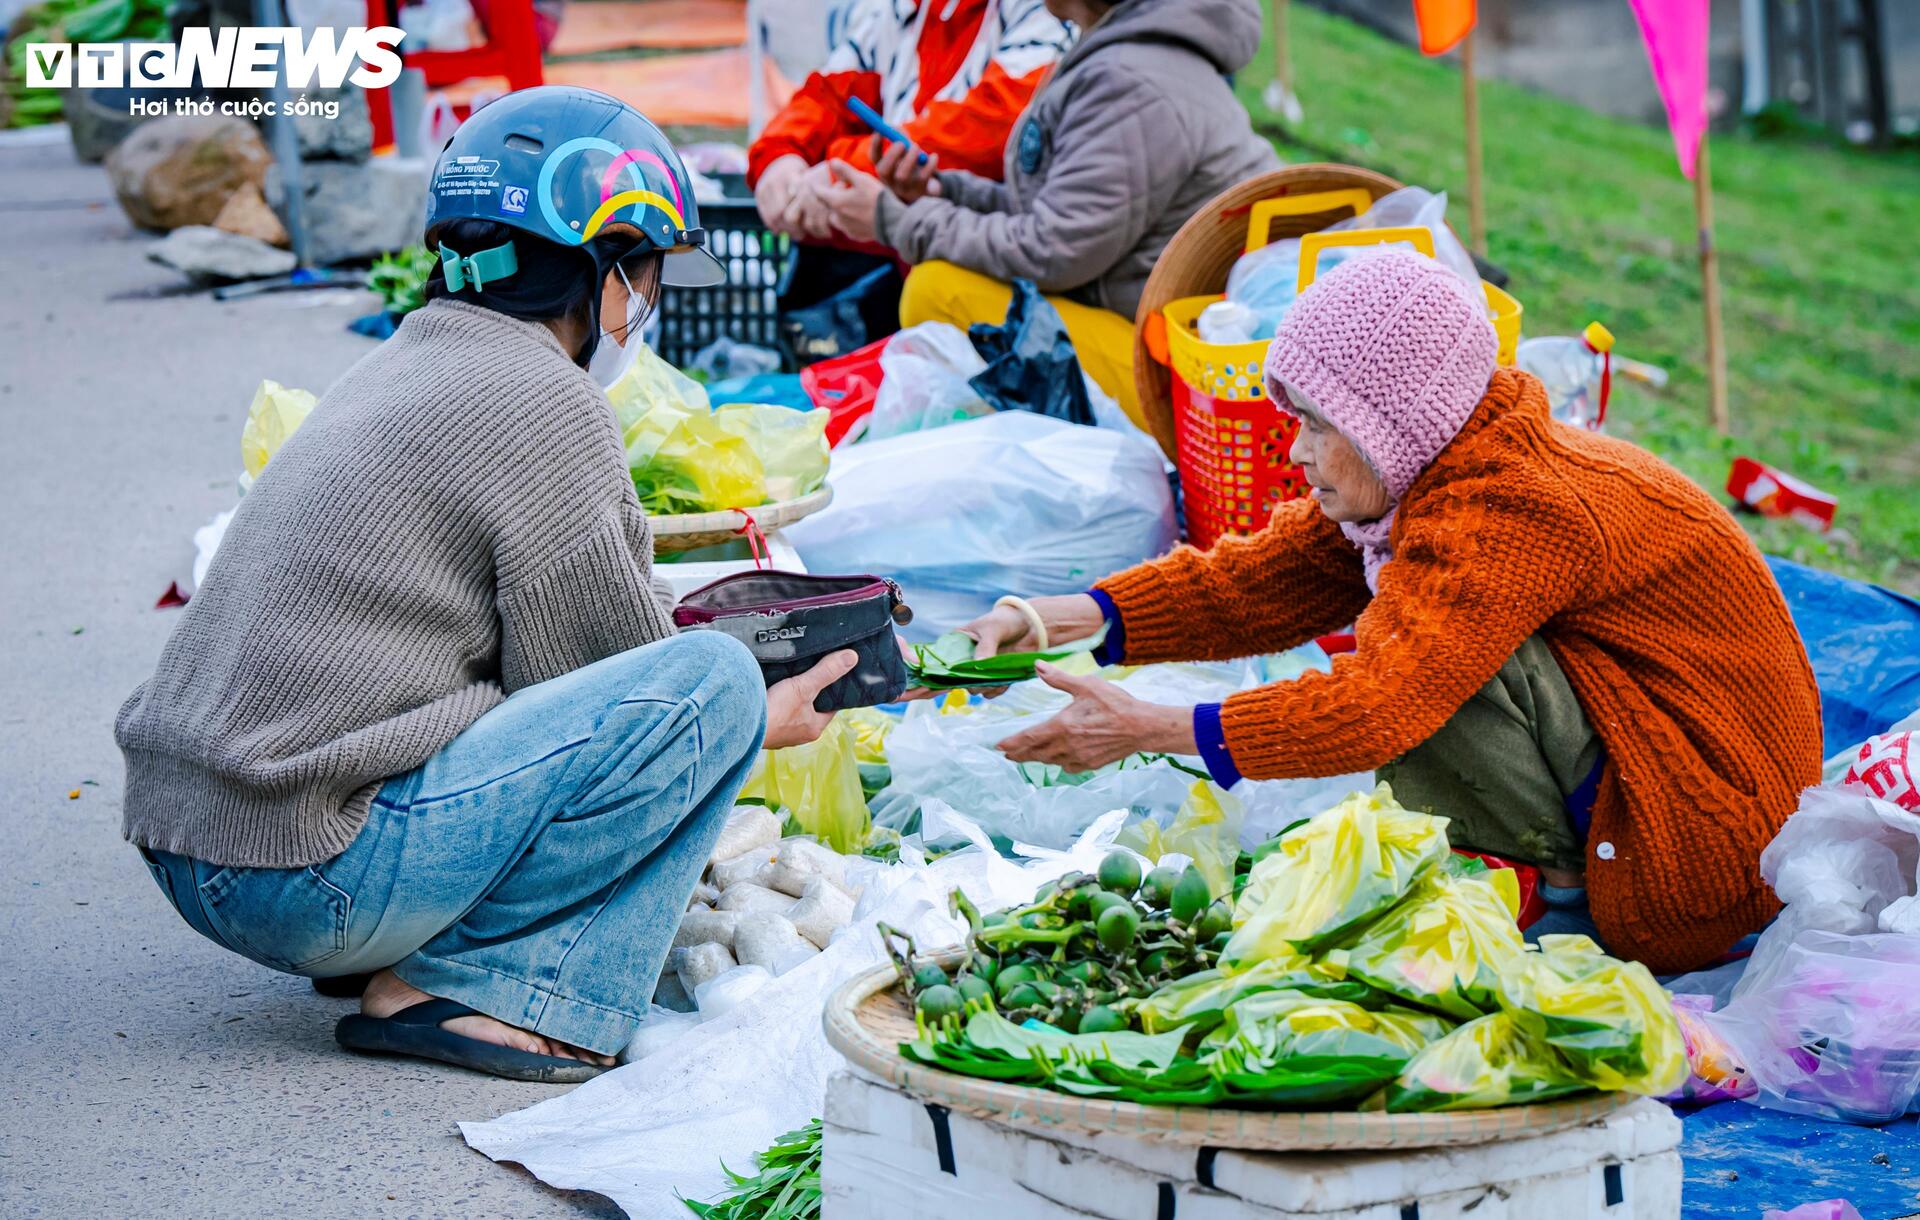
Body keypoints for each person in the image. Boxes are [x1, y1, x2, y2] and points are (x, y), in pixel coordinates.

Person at [115, 87, 863, 1084]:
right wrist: (757, 715)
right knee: (715, 683)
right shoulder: (543, 393)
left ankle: (407, 946)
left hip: (197, 845)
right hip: (299, 875)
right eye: (645, 277)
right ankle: (485, 988)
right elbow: (625, 682)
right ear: (602, 269)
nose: (646, 307)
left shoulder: (407, 358)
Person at [957, 248, 1824, 974]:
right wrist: (1053, 618)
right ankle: (1543, 869)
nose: (1295, 452)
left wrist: (1147, 726)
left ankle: (1566, 900)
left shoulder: (1510, 512)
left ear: (1390, 423)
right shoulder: (1435, 465)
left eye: (1313, 426)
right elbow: (1259, 581)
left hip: (1697, 845)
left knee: (1426, 661)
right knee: (1422, 641)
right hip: (1667, 771)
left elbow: (1378, 705)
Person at [819, 0, 1281, 428]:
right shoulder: (1130, 58)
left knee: (938, 290)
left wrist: (894, 222)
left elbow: (1051, 252)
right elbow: (1055, 214)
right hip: (1161, 350)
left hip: (1183, 390)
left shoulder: (1131, 82)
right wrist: (941, 191)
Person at [750, 0, 1071, 344]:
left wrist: (835, 171)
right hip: (908, 268)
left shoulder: (1052, 10)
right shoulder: (904, 8)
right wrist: (780, 156)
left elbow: (984, 131)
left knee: (931, 294)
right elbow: (831, 91)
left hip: (1007, 289)